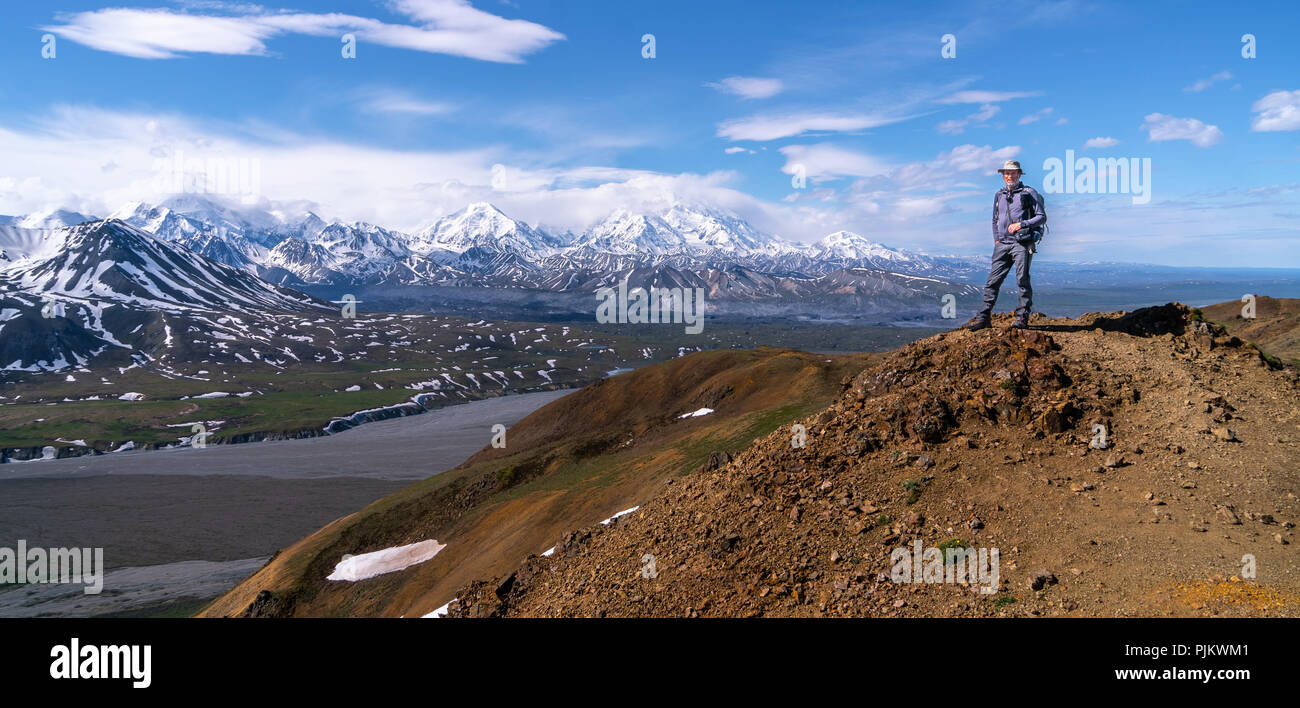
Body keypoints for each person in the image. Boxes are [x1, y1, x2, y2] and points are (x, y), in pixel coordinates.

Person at [965, 160, 1046, 330]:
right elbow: (995, 219)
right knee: (992, 282)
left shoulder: (1029, 192)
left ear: (1019, 174)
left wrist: (1022, 224)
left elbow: (1041, 217)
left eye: (1013, 172)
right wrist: (996, 238)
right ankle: (983, 318)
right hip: (1002, 244)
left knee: (1022, 280)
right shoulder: (999, 194)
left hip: (1022, 243)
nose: (1010, 176)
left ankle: (1022, 318)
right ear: (1003, 176)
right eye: (1007, 173)